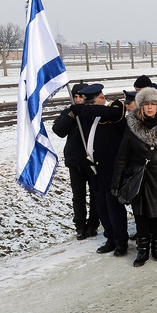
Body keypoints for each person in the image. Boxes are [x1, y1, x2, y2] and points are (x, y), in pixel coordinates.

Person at [111, 88, 157, 267]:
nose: (149, 108)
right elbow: (122, 157)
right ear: (141, 107)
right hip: (140, 180)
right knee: (141, 217)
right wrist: (116, 183)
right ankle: (142, 251)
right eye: (146, 104)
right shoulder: (132, 129)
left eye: (153, 104)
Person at [73, 84, 128, 256]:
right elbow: (80, 140)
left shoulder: (114, 108)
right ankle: (110, 238)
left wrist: (84, 109)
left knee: (114, 208)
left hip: (111, 170)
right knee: (102, 208)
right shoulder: (89, 117)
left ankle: (121, 242)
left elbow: (114, 113)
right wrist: (83, 159)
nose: (88, 107)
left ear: (102, 98)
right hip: (94, 170)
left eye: (92, 102)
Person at [52, 83, 99, 240]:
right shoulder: (69, 112)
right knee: (78, 195)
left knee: (95, 193)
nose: (78, 100)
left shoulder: (93, 111)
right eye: (75, 97)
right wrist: (71, 115)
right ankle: (80, 225)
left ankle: (93, 224)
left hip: (92, 158)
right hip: (74, 160)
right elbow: (58, 131)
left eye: (81, 97)